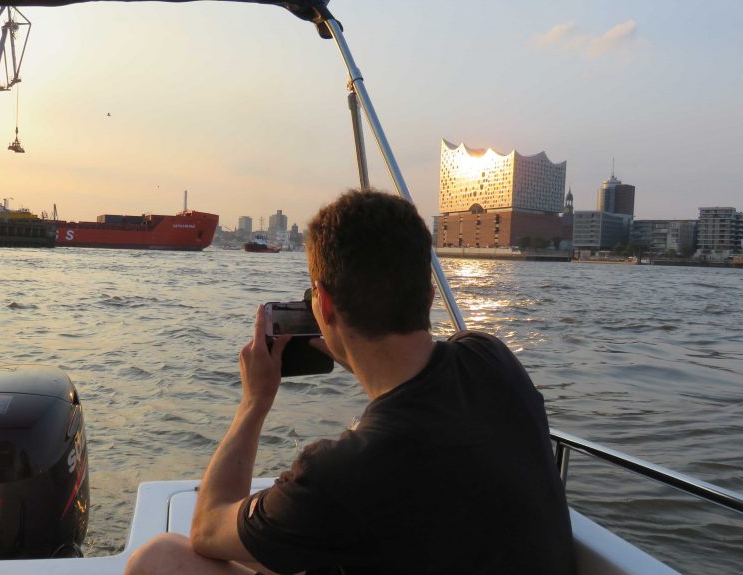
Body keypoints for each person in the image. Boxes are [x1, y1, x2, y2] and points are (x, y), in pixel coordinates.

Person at [125, 189, 575, 574]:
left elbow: (207, 530)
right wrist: (345, 345)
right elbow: (414, 380)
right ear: (429, 294)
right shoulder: (492, 359)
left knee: (160, 557)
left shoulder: (336, 476)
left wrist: (254, 401)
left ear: (323, 303)